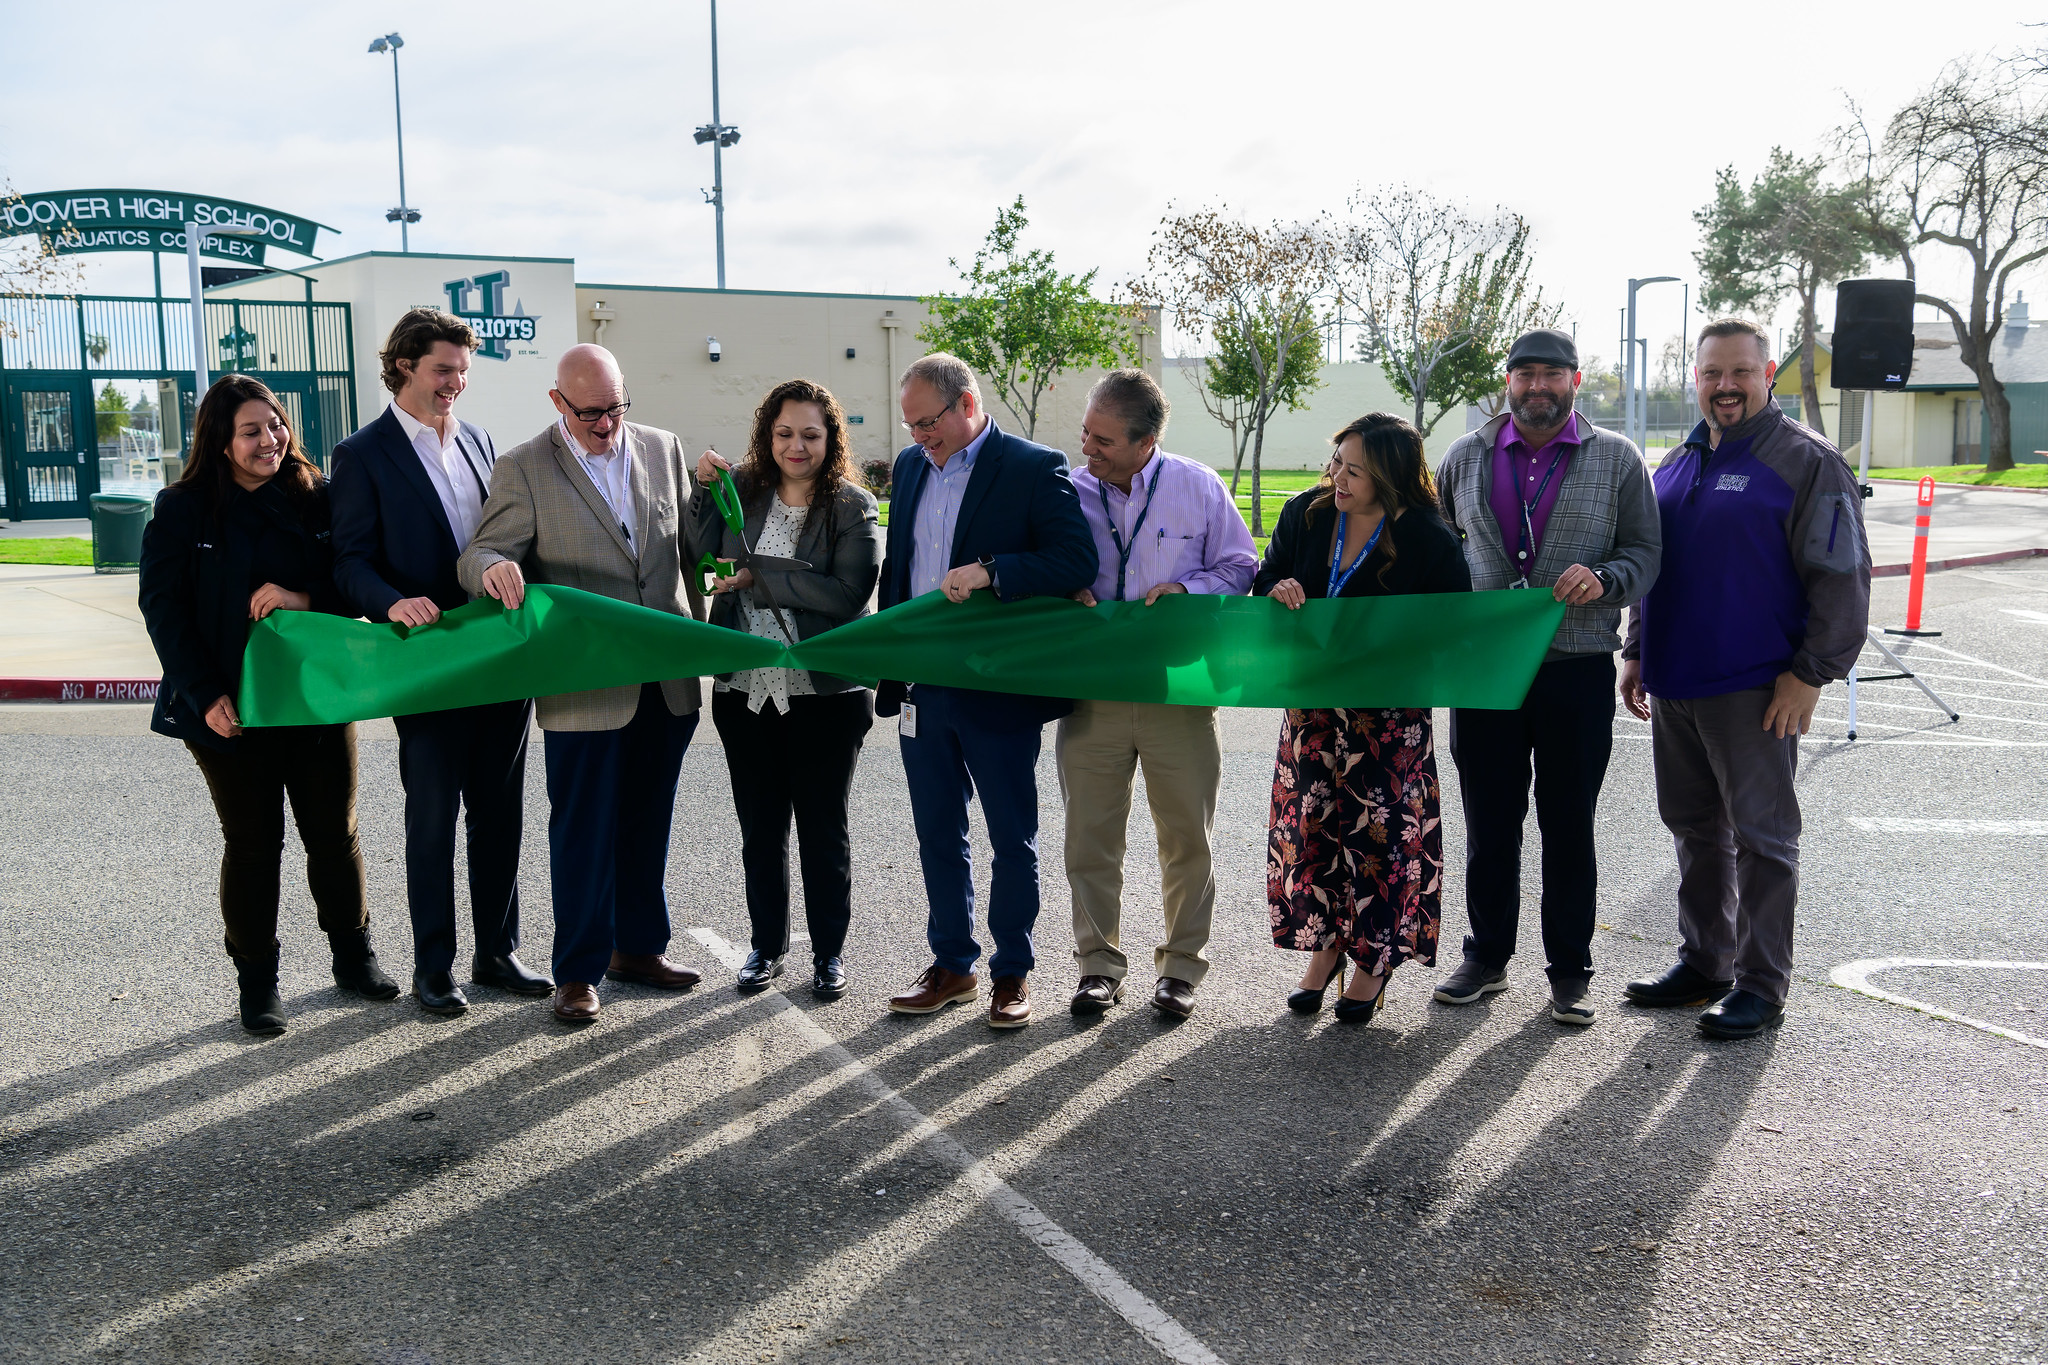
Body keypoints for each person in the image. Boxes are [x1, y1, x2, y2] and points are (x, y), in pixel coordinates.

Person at [1621, 319, 1869, 1039]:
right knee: (1695, 829)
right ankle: (1706, 962)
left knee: (1764, 840)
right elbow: (1652, 565)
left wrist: (1812, 675)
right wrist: (1638, 648)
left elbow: (1844, 578)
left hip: (1758, 690)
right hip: (1676, 683)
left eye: (1740, 373)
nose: (1725, 386)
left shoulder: (1807, 462)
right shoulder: (1676, 461)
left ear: (1767, 376)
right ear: (1694, 378)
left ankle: (1762, 985)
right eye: (1711, 373)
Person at [456, 344, 709, 1025]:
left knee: (647, 822)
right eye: (590, 412)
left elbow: (691, 547)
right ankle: (578, 969)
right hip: (583, 686)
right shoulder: (523, 466)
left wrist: (720, 500)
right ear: (558, 403)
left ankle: (639, 948)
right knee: (582, 832)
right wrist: (490, 570)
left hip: (665, 680)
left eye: (615, 408)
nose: (606, 425)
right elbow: (479, 551)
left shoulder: (662, 447)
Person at [138, 374, 399, 1035]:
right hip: (228, 708)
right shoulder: (182, 508)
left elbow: (352, 584)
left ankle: (354, 957)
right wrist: (205, 696)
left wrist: (302, 598)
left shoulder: (318, 498)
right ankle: (258, 984)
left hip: (314, 700)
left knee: (333, 836)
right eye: (251, 431)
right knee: (254, 846)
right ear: (221, 443)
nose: (270, 440)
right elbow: (163, 610)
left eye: (275, 425)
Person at [1433, 329, 1662, 1026]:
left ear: (1576, 380)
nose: (1538, 386)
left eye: (1551, 375)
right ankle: (1486, 956)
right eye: (1525, 373)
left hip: (1575, 668)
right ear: (1507, 382)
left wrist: (1607, 577)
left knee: (1569, 826)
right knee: (1490, 825)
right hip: (1487, 672)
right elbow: (1443, 549)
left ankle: (1570, 970)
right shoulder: (1464, 456)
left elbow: (1646, 552)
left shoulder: (1616, 458)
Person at [329, 308, 549, 1015]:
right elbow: (349, 561)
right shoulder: (362, 454)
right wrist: (390, 601)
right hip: (426, 662)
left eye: (463, 371)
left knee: (501, 813)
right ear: (403, 366)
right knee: (432, 820)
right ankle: (434, 966)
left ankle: (497, 951)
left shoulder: (483, 440)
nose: (456, 383)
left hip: (496, 659)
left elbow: (504, 535)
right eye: (443, 370)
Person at [877, 353, 1098, 1029]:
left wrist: (992, 570)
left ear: (966, 403)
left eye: (928, 422)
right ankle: (952, 964)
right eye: (910, 425)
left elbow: (1075, 560)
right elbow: (902, 566)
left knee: (1011, 836)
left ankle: (1012, 972)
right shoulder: (913, 468)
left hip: (997, 687)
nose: (918, 438)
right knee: (937, 834)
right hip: (925, 686)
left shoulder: (1034, 466)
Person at [1255, 413, 1471, 1023]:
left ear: (1391, 476)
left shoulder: (1427, 533)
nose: (1338, 478)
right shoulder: (1309, 514)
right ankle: (1323, 953)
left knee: (1381, 839)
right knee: (1314, 831)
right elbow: (1263, 578)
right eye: (1337, 462)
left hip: (1386, 719)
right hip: (1315, 709)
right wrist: (1278, 589)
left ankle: (1372, 964)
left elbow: (1452, 623)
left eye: (1356, 470)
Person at [1060, 369, 1256, 1019]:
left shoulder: (1197, 487)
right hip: (1093, 688)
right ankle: (1097, 966)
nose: (1087, 448)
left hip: (1180, 688)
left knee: (1186, 838)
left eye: (1103, 440)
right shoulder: (1068, 492)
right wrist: (1063, 592)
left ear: (1146, 441)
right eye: (1086, 433)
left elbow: (1240, 568)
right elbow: (1041, 564)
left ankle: (1180, 970)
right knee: (1090, 837)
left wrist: (1188, 591)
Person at [691, 380, 882, 1000]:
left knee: (824, 832)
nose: (796, 447)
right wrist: (701, 493)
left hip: (824, 698)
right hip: (743, 694)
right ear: (766, 436)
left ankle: (829, 955)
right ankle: (766, 947)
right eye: (784, 433)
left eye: (810, 435)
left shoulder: (853, 507)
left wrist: (759, 576)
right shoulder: (738, 495)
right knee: (760, 831)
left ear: (831, 439)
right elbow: (698, 560)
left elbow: (846, 596)